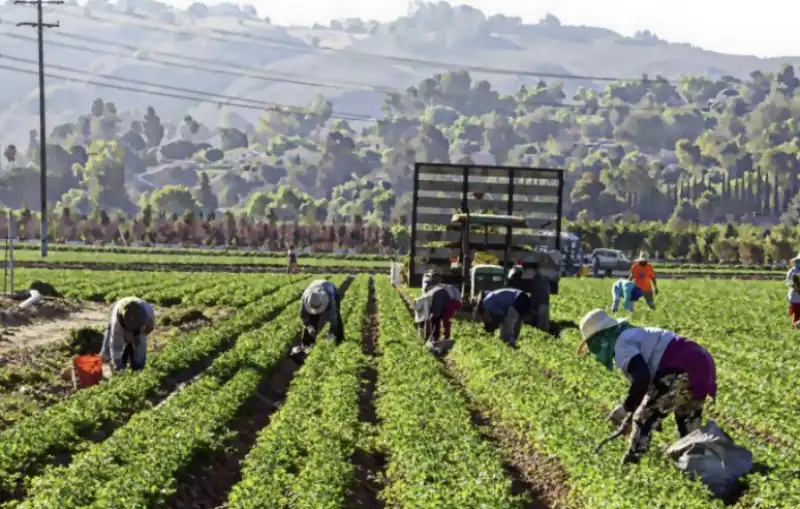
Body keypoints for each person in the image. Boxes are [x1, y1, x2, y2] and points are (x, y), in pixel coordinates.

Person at [577, 309, 717, 466]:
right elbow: (648, 388)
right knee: (687, 425)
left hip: (680, 370)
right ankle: (700, 467)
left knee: (643, 418)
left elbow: (642, 378)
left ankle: (633, 464)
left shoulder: (621, 344)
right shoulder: (632, 334)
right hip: (701, 364)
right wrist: (630, 416)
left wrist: (626, 408)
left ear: (600, 338)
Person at [101, 297, 155, 372]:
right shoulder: (117, 323)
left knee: (141, 343)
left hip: (140, 319)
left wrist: (138, 337)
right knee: (110, 339)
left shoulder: (148, 311)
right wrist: (118, 365)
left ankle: (138, 367)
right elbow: (115, 346)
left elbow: (149, 328)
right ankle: (105, 357)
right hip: (117, 309)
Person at [295, 279, 344, 357]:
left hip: (331, 291)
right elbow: (303, 316)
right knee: (311, 320)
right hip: (315, 288)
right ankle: (307, 345)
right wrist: (309, 326)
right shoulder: (305, 299)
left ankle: (339, 340)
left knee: (337, 317)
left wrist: (331, 332)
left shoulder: (330, 299)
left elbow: (333, 317)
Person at [419, 270, 461, 348]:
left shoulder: (437, 292)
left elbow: (435, 313)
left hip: (454, 301)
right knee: (435, 318)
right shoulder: (429, 291)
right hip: (448, 299)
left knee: (444, 318)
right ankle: (435, 337)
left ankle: (445, 337)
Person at [528, 264, 551, 333]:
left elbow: (536, 293)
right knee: (543, 322)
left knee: (541, 323)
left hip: (541, 303)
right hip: (543, 302)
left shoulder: (538, 279)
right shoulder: (544, 277)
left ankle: (542, 333)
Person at [786, 254, 800, 328]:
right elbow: (789, 282)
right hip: (796, 297)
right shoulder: (792, 271)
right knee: (796, 314)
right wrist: (797, 288)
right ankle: (795, 328)